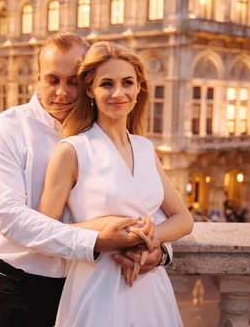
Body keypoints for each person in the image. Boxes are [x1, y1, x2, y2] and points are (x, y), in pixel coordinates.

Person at [0, 33, 169, 327]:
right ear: (37, 78)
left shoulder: (115, 134)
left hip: (96, 285)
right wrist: (95, 240)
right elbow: (11, 218)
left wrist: (158, 252)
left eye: (73, 82)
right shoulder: (6, 129)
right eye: (53, 80)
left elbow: (148, 206)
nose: (63, 93)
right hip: (26, 286)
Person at [38, 42, 194, 326]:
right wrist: (103, 229)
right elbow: (44, 231)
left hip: (150, 285)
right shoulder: (72, 150)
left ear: (138, 89)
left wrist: (149, 242)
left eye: (127, 83)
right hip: (97, 286)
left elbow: (184, 219)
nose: (118, 93)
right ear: (90, 90)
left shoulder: (145, 147)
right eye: (107, 84)